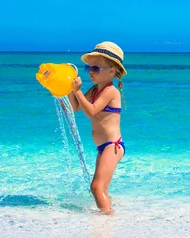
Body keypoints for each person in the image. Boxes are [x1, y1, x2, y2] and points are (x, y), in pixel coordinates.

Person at [67, 41, 127, 215]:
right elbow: (74, 108)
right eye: (89, 68)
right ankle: (113, 216)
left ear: (112, 71)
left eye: (96, 69)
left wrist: (78, 92)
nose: (91, 72)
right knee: (103, 189)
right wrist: (70, 90)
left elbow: (92, 111)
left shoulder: (111, 91)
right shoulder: (94, 90)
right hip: (103, 147)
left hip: (112, 146)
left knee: (96, 187)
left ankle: (106, 222)